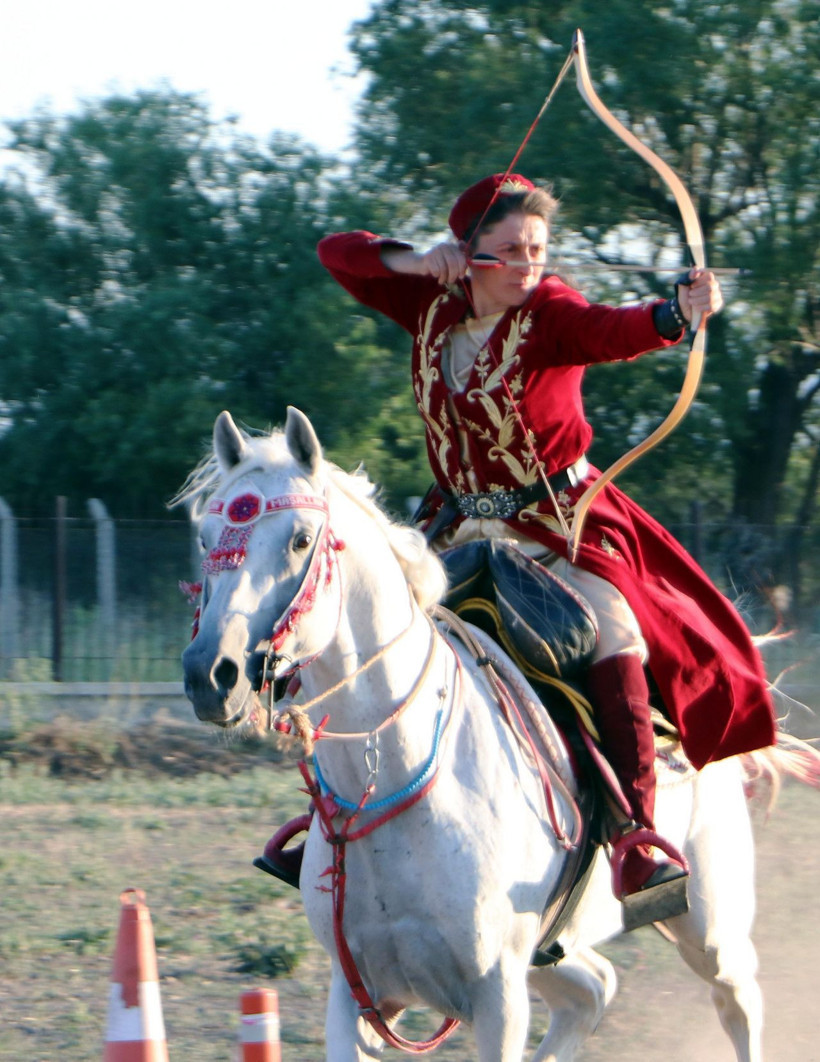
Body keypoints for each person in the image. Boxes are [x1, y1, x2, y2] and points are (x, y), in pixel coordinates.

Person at [301, 173, 776, 917]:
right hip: (454, 531)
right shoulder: (429, 302)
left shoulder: (550, 311)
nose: (529, 263)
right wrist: (414, 260)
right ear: (468, 252)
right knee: (368, 635)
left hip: (559, 528)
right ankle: (331, 819)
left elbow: (610, 330)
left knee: (612, 631)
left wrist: (674, 315)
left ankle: (636, 832)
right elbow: (337, 252)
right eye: (511, 249)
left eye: (538, 248)